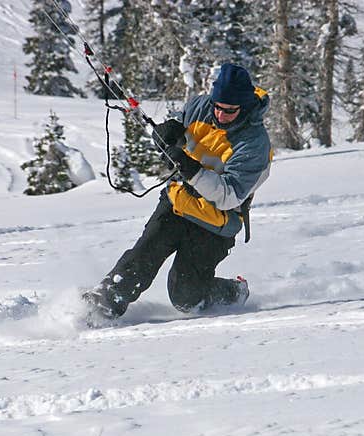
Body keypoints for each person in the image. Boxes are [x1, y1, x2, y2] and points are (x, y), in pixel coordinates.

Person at [82, 63, 272, 326]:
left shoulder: (254, 143)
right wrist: (168, 133)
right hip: (178, 203)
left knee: (185, 297)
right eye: (217, 105)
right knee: (141, 259)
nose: (220, 113)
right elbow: (181, 134)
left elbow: (230, 195)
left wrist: (189, 167)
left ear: (243, 105)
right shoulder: (200, 107)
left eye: (229, 111)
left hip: (216, 223)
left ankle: (234, 291)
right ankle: (101, 306)